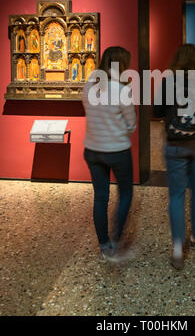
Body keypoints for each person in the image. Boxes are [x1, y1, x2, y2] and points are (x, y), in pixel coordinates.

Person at [154, 44, 195, 270]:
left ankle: (178, 247)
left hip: (175, 145)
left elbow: (157, 112)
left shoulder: (168, 81)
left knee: (177, 195)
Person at [82, 46, 136, 262]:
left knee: (100, 197)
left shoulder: (88, 87)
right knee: (125, 193)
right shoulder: (122, 90)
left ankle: (104, 244)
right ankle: (116, 238)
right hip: (117, 150)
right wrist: (119, 127)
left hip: (93, 150)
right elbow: (131, 123)